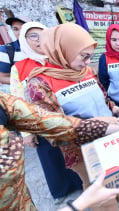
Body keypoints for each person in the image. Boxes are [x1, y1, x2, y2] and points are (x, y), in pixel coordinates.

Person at [24, 23, 119, 211]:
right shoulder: (39, 84)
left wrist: (118, 111)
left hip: (109, 137)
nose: (87, 62)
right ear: (63, 50)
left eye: (90, 57)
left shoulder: (86, 72)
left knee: (116, 171)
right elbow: (55, 128)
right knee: (97, 186)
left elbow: (103, 98)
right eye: (83, 56)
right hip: (81, 149)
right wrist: (101, 124)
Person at [0, 91, 119, 211]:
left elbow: (51, 122)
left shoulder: (3, 101)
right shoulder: (38, 84)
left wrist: (111, 127)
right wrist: (79, 204)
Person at [9, 21, 86, 204]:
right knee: (52, 158)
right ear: (24, 40)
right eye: (32, 36)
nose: (39, 40)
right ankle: (62, 191)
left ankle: (84, 185)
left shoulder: (61, 61)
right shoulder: (19, 68)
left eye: (43, 34)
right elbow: (18, 102)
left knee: (76, 156)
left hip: (67, 119)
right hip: (41, 124)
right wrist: (26, 133)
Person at [0, 15, 30, 93]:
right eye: (15, 29)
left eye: (24, 28)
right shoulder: (7, 51)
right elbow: (2, 77)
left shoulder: (44, 47)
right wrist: (26, 83)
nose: (20, 32)